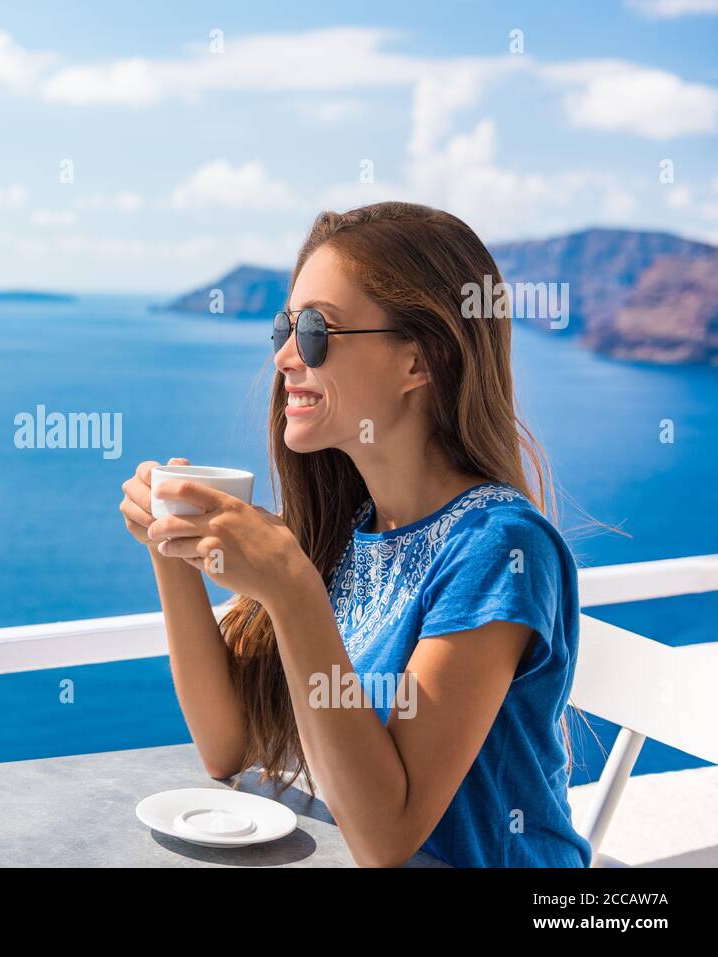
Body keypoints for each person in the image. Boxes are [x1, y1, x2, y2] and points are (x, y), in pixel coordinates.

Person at [119, 201, 594, 868]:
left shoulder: (498, 549)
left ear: (419, 361)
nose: (286, 355)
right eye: (285, 325)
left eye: (317, 330)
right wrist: (170, 546)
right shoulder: (353, 533)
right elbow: (226, 744)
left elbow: (386, 835)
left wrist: (292, 591)